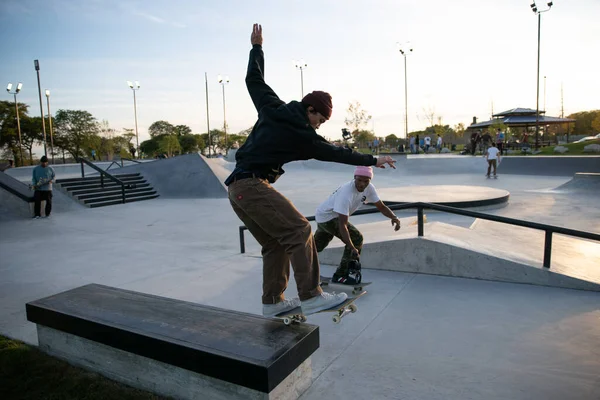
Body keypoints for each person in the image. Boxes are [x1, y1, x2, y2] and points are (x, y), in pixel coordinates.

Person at [225, 24, 397, 318]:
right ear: (311, 110)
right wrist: (371, 159)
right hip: (252, 186)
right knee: (300, 228)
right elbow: (335, 152)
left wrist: (256, 48)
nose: (320, 125)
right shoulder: (304, 135)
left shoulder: (272, 107)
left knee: (275, 242)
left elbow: (253, 79)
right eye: (321, 119)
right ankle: (311, 295)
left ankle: (273, 301)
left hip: (237, 189)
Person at [314, 166, 400, 284]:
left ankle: (303, 266)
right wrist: (352, 247)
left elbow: (381, 206)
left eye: (366, 181)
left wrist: (394, 217)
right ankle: (341, 275)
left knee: (316, 246)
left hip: (324, 215)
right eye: (359, 180)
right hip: (328, 217)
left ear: (370, 180)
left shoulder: (369, 188)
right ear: (354, 177)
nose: (362, 184)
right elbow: (342, 225)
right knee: (356, 238)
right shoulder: (346, 193)